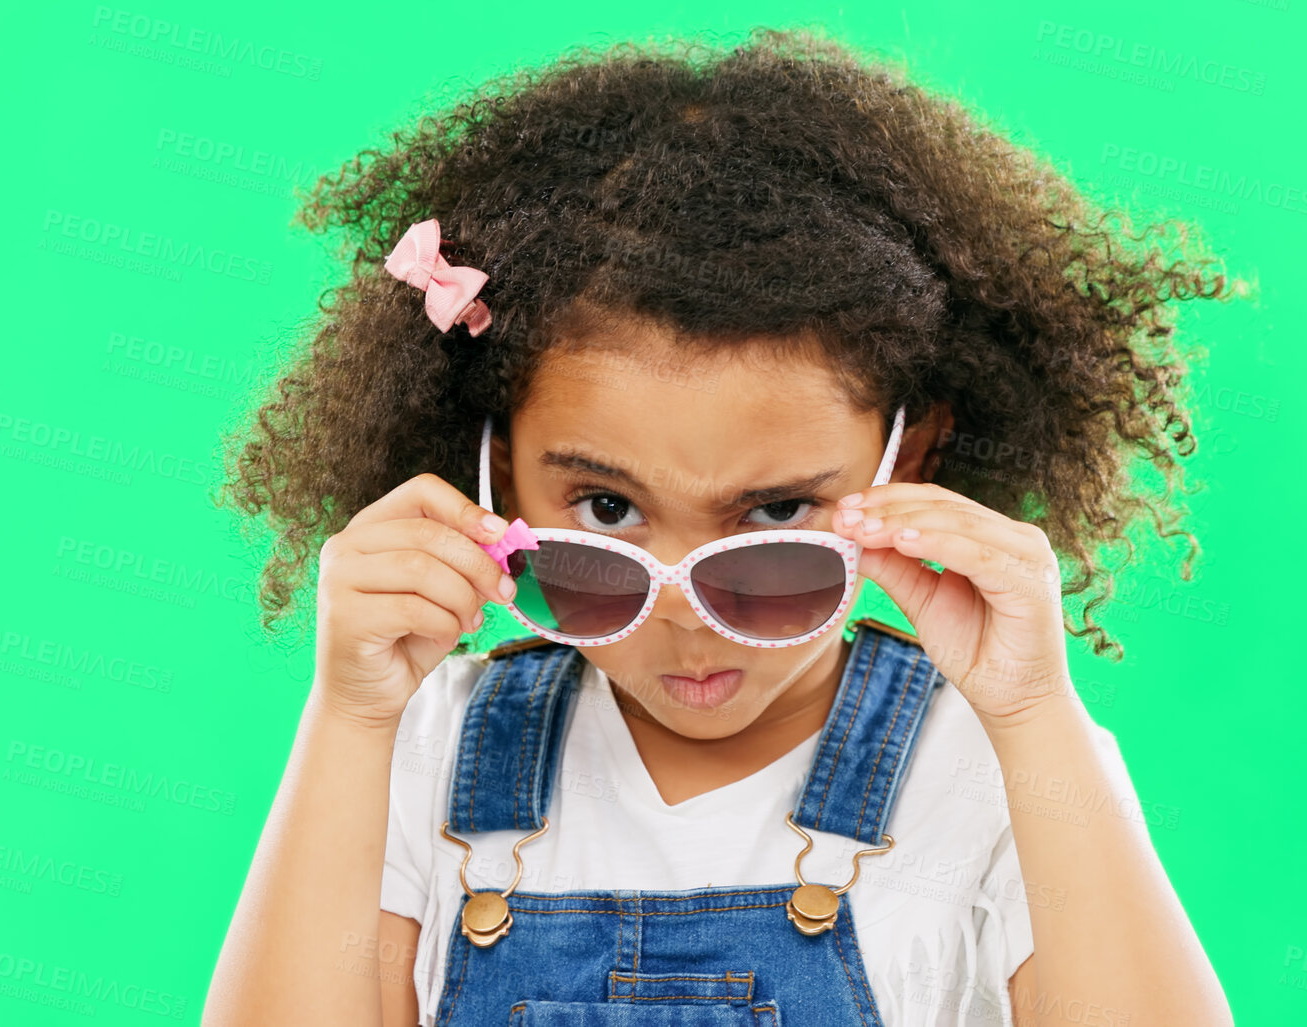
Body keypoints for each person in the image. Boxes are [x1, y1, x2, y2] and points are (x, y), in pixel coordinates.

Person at [205, 27, 1243, 1027]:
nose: (685, 613)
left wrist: (1035, 719)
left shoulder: (996, 771)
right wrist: (346, 720)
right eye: (606, 514)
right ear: (494, 474)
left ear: (910, 461)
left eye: (776, 519)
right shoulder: (423, 755)